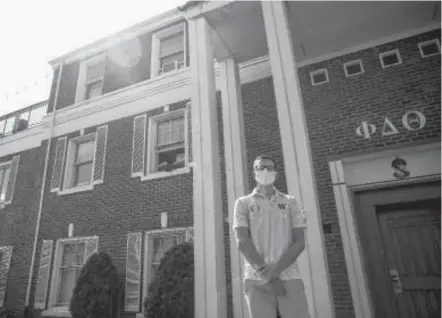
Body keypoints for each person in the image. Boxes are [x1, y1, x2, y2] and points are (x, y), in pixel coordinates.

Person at [233, 155, 310, 318]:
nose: (265, 171)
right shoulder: (243, 203)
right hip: (256, 280)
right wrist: (267, 274)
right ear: (254, 173)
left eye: (269, 167)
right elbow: (243, 241)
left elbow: (299, 242)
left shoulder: (290, 202)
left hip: (290, 277)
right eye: (260, 168)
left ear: (276, 172)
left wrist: (275, 271)